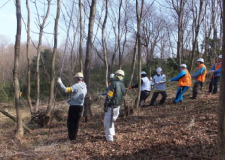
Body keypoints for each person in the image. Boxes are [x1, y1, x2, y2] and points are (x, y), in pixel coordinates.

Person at [57, 72, 87, 141]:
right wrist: (71, 100)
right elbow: (80, 95)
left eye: (75, 79)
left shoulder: (76, 86)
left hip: (73, 107)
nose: (74, 80)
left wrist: (60, 83)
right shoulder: (85, 86)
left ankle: (71, 138)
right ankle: (74, 137)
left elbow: (66, 90)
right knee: (76, 122)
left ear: (77, 79)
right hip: (80, 107)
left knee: (70, 122)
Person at [104, 70, 125, 142]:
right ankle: (112, 134)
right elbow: (123, 95)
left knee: (108, 122)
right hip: (118, 106)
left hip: (111, 106)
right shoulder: (122, 84)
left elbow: (109, 95)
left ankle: (109, 139)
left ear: (116, 75)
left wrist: (106, 104)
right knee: (112, 121)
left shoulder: (113, 84)